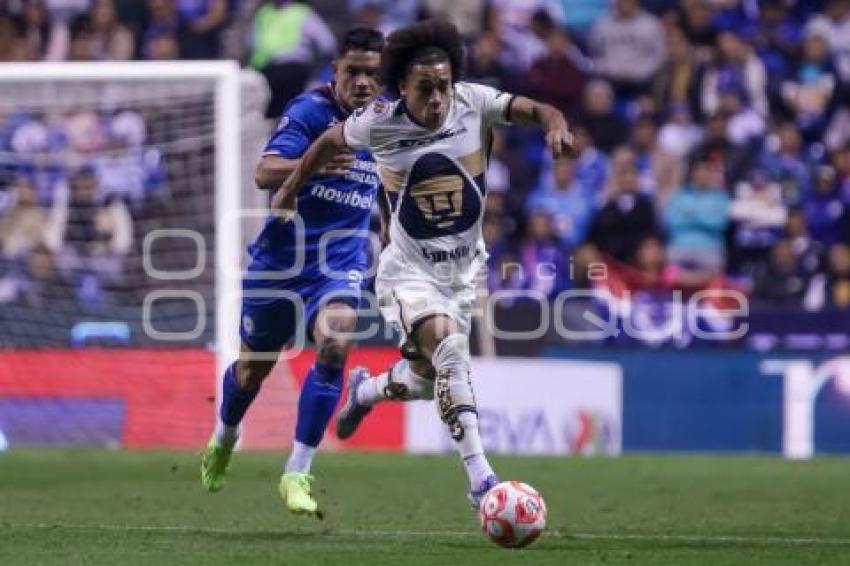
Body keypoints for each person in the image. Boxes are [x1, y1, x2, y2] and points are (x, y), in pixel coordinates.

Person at [270, 20, 574, 509]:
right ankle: (482, 480)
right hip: (408, 272)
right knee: (451, 351)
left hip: (463, 272)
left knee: (427, 378)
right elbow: (327, 142)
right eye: (425, 88)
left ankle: (366, 392)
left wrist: (555, 125)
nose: (437, 98)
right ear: (402, 87)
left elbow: (539, 109)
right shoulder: (379, 121)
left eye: (443, 86)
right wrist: (289, 189)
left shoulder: (473, 101)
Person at [199, 28, 384, 517]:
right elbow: (265, 172)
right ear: (335, 71)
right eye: (354, 72)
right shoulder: (310, 111)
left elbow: (392, 183)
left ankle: (298, 471)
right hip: (280, 263)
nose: (363, 83)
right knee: (252, 370)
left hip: (339, 262)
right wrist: (314, 164)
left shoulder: (388, 124)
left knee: (336, 340)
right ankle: (225, 436)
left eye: (372, 74)